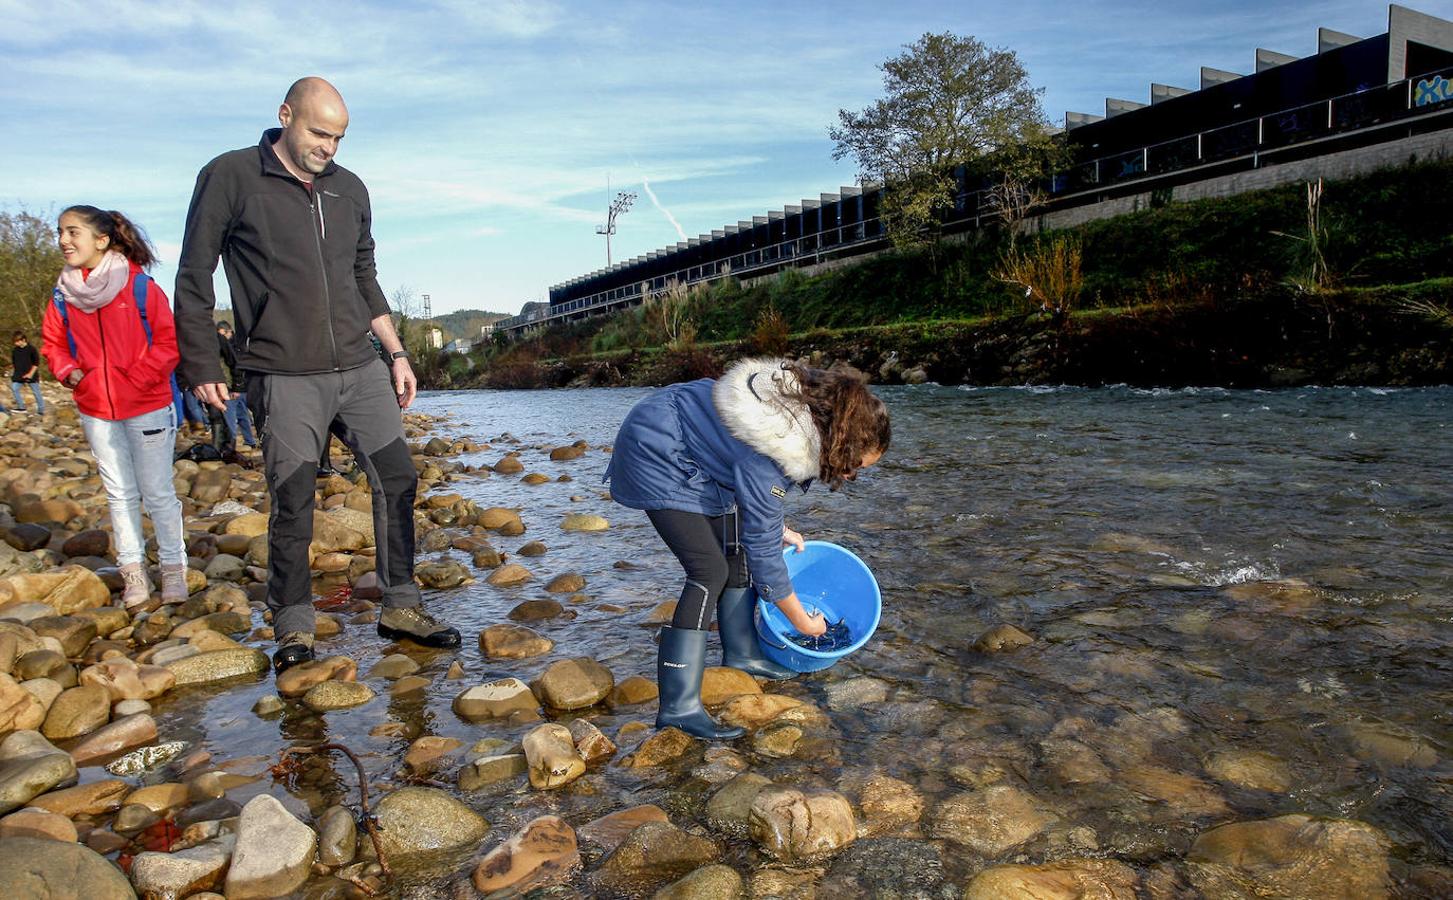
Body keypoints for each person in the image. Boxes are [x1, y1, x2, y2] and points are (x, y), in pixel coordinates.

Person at [174, 76, 460, 674]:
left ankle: (401, 606)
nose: (329, 147)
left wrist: (397, 353)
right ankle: (294, 626)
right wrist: (201, 362)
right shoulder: (230, 175)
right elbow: (194, 275)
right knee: (293, 501)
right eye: (318, 132)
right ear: (285, 115)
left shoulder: (350, 189)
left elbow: (364, 275)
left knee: (399, 479)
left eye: (339, 137)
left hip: (360, 367)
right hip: (283, 372)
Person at [606, 357, 891, 739]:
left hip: (695, 449)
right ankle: (678, 708)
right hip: (656, 451)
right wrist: (803, 622)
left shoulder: (810, 416)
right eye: (854, 464)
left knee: (736, 549)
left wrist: (778, 527)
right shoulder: (777, 447)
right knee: (709, 571)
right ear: (840, 440)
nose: (851, 475)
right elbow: (764, 544)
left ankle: (742, 656)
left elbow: (757, 507)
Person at [41, 207, 188, 608]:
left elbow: (167, 342)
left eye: (73, 232)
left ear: (102, 240)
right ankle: (134, 575)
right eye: (60, 232)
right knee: (119, 495)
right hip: (95, 407)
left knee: (157, 493)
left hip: (147, 406)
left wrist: (137, 379)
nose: (64, 240)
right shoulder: (63, 294)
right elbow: (52, 344)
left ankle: (174, 570)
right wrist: (70, 372)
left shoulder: (141, 288)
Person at [215, 322, 256, 449]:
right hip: (240, 386)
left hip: (233, 388)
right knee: (242, 415)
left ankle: (231, 444)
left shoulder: (228, 346)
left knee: (230, 417)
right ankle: (250, 441)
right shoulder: (241, 343)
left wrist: (235, 387)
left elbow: (234, 366)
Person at [10, 333, 45, 415]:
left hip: (31, 375)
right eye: (15, 342)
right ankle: (21, 408)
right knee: (14, 388)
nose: (16, 343)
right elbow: (15, 363)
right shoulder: (15, 350)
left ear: (23, 340)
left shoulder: (32, 349)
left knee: (36, 392)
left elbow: (36, 363)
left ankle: (40, 411)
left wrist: (30, 374)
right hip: (19, 375)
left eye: (17, 341)